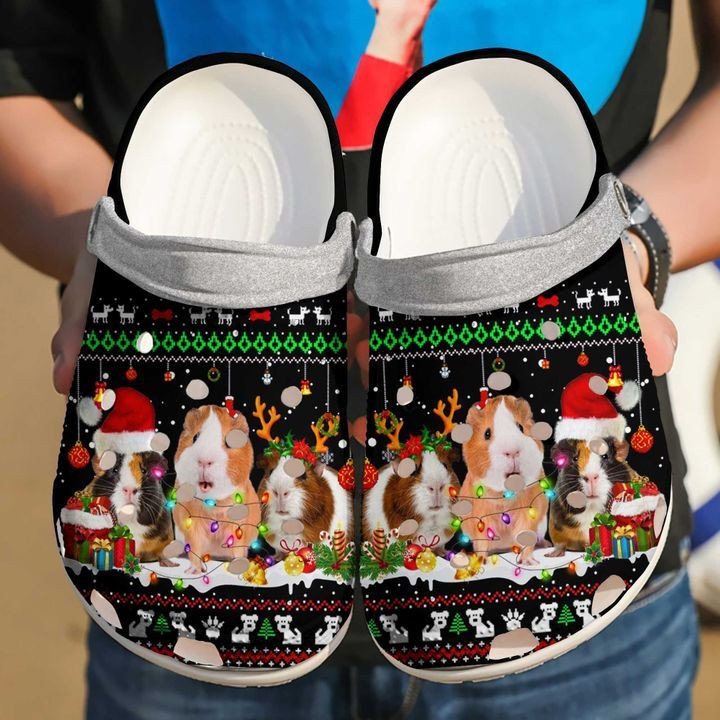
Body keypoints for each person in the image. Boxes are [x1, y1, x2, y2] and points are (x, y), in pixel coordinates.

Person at [1, 2, 718, 718]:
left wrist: (635, 245)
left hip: (593, 642)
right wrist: (104, 253)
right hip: (176, 641)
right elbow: (14, 75)